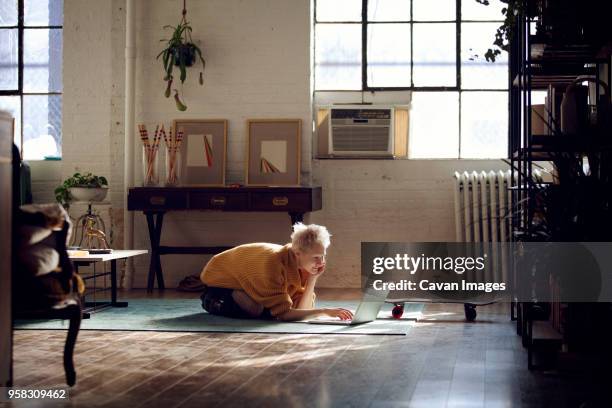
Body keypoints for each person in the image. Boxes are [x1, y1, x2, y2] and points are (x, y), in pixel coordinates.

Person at [199, 222, 353, 322]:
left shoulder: (305, 265)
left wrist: (313, 278)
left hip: (252, 282)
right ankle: (213, 301)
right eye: (316, 258)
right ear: (298, 253)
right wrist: (326, 311)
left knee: (269, 310)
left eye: (323, 256)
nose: (321, 263)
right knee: (257, 310)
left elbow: (301, 310)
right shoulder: (274, 264)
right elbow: (284, 314)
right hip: (219, 285)